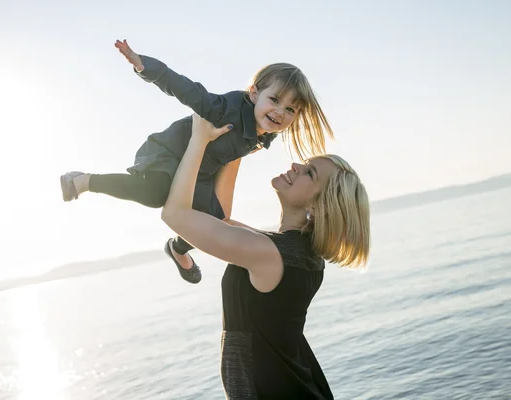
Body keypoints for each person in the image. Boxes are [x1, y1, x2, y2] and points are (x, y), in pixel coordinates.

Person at [60, 39, 334, 285]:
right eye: (274, 100)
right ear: (253, 94)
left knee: (213, 221)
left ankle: (177, 249)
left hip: (202, 173)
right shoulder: (225, 109)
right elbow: (189, 91)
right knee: (155, 194)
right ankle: (84, 180)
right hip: (171, 155)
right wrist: (145, 67)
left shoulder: (265, 134)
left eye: (290, 109)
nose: (279, 112)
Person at [161, 114, 370, 399]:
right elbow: (221, 220)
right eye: (306, 164)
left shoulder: (270, 254)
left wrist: (199, 138)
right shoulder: (300, 253)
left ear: (319, 206)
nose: (296, 165)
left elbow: (175, 214)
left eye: (309, 173)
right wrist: (240, 147)